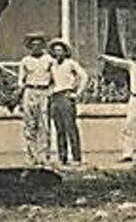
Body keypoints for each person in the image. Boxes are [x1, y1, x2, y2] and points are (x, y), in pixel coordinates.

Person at [14, 33, 56, 166]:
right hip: (29, 91)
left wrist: (51, 91)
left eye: (39, 44)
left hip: (44, 92)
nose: (36, 46)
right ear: (29, 46)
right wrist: (19, 95)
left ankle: (44, 156)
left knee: (44, 125)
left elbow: (55, 78)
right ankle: (31, 156)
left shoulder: (49, 60)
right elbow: (21, 80)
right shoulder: (25, 61)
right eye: (33, 44)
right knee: (29, 125)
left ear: (43, 45)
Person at [47, 39, 89, 168]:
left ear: (65, 52)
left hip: (66, 96)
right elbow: (48, 80)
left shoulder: (70, 63)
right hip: (55, 97)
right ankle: (62, 157)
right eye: (56, 50)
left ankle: (76, 157)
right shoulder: (52, 64)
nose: (58, 52)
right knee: (59, 129)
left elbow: (84, 77)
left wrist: (77, 93)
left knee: (70, 127)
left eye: (60, 50)